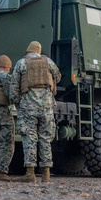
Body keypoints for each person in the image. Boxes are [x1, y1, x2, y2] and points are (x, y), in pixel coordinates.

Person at [11, 40, 61, 183]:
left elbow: (14, 86)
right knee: (45, 139)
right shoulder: (49, 62)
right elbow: (58, 76)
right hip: (47, 107)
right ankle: (46, 174)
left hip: (28, 107)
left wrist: (17, 103)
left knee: (29, 138)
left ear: (28, 50)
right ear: (39, 51)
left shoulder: (21, 63)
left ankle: (30, 173)